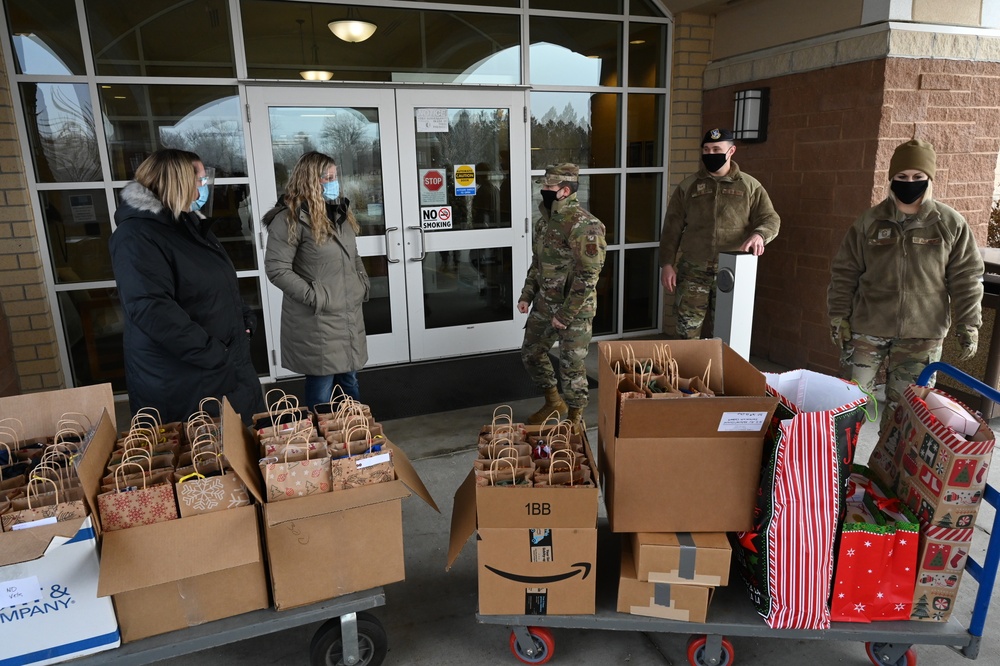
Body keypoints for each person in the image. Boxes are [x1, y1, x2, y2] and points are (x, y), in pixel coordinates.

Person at [827, 138, 984, 431]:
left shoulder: (949, 223)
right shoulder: (870, 222)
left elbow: (966, 277)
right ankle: (839, 468)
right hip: (867, 329)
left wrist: (969, 324)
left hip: (921, 334)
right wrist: (838, 316)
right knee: (847, 402)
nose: (909, 183)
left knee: (905, 412)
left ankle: (886, 474)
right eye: (901, 177)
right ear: (891, 179)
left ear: (929, 179)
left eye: (917, 177)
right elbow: (844, 272)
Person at [110, 149, 265, 424]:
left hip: (219, 370)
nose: (203, 189)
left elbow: (219, 282)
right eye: (200, 181)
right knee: (205, 460)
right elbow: (152, 310)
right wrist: (214, 352)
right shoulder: (136, 236)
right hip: (186, 380)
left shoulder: (188, 225)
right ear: (179, 182)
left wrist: (244, 319)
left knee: (238, 451)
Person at [263, 151, 370, 409]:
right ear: (310, 180)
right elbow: (276, 268)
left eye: (335, 176)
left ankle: (356, 438)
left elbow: (352, 255)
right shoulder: (290, 218)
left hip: (347, 314)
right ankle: (320, 442)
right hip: (318, 319)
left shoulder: (339, 212)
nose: (334, 182)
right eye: (327, 177)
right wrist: (316, 297)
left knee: (350, 382)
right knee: (321, 389)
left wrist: (362, 282)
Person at [659, 128, 781, 339]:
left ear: (731, 151)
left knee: (728, 333)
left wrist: (760, 235)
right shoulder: (689, 186)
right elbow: (672, 228)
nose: (710, 153)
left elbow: (770, 218)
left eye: (716, 149)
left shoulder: (750, 186)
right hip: (693, 270)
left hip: (731, 271)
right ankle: (688, 372)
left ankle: (721, 373)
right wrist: (667, 264)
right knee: (687, 332)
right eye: (706, 149)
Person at [518, 163, 607, 424]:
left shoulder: (585, 226)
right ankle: (554, 402)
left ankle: (576, 418)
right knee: (531, 353)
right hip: (545, 304)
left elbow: (588, 276)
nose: (543, 191)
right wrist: (527, 294)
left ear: (564, 190)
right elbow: (538, 264)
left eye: (548, 187)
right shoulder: (543, 224)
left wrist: (566, 315)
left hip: (574, 310)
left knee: (571, 366)